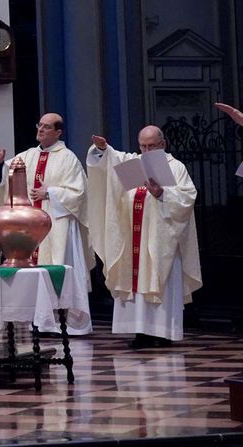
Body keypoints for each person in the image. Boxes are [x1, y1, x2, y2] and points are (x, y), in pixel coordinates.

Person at [86, 126, 202, 345]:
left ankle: (163, 333)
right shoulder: (132, 163)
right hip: (133, 236)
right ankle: (140, 332)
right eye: (143, 146)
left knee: (161, 280)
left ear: (163, 144)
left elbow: (188, 198)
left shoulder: (175, 167)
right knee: (134, 279)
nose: (147, 151)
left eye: (152, 146)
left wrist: (162, 193)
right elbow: (110, 163)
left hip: (161, 240)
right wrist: (102, 149)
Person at [0, 112, 92, 335]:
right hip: (29, 228)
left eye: (46, 127)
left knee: (58, 266)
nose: (40, 130)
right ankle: (40, 321)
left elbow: (79, 193)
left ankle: (68, 323)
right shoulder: (27, 156)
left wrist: (49, 193)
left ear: (58, 132)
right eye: (39, 125)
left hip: (57, 226)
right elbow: (6, 178)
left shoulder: (68, 158)